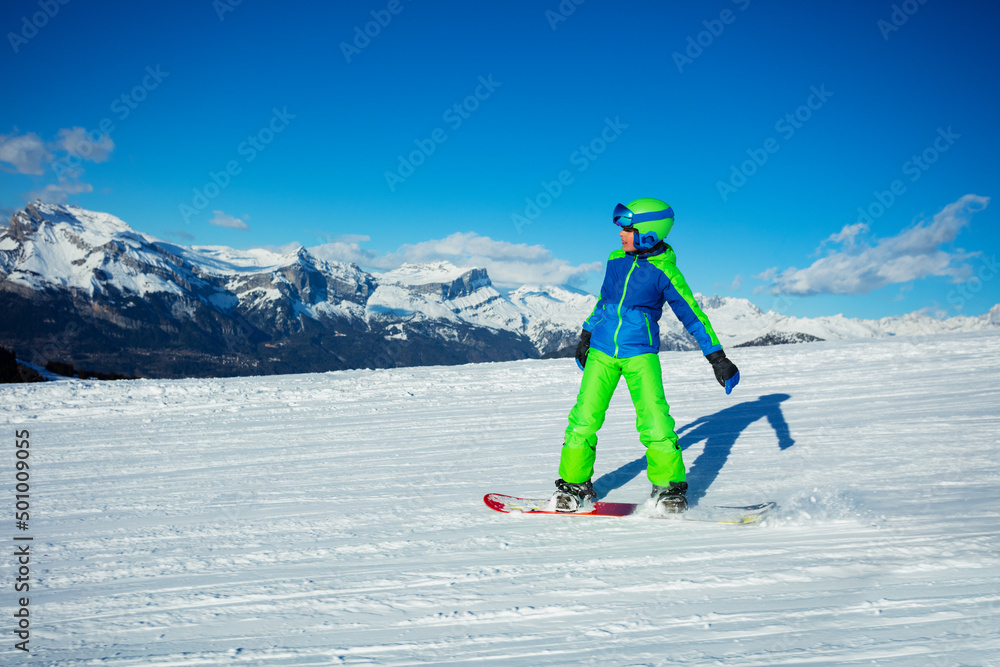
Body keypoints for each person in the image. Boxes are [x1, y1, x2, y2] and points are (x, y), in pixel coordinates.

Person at [551, 198, 740, 514]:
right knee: (583, 419)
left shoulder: (665, 272)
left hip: (640, 354)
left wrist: (717, 357)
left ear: (649, 233)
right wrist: (586, 334)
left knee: (655, 421)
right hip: (601, 352)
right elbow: (604, 302)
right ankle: (574, 486)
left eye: (628, 229)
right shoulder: (615, 259)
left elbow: (693, 317)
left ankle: (669, 489)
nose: (621, 235)